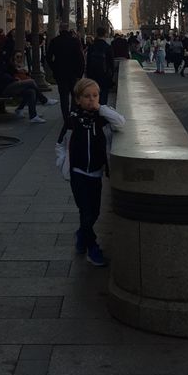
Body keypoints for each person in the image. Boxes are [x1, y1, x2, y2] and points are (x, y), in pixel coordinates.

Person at [56, 78, 125, 266]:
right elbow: (60, 143)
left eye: (95, 96)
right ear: (77, 99)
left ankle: (82, 234)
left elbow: (120, 122)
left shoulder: (101, 118)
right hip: (78, 173)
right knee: (85, 211)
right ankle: (92, 247)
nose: (91, 100)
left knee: (93, 212)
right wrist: (62, 162)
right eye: (86, 96)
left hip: (96, 173)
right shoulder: (72, 120)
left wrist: (101, 108)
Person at [0, 45, 44, 123]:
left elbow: (8, 71)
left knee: (31, 91)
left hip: (10, 85)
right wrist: (14, 79)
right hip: (3, 89)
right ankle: (44, 100)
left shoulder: (0, 62)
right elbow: (1, 77)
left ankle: (32, 116)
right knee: (31, 82)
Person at [46, 23, 86, 138]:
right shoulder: (75, 41)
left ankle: (66, 118)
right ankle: (73, 114)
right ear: (68, 29)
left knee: (63, 96)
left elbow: (48, 57)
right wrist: (80, 72)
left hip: (60, 73)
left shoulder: (55, 41)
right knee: (75, 95)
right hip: (73, 73)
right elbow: (80, 58)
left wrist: (54, 68)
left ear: (59, 30)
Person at [85, 27, 115, 104]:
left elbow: (88, 62)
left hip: (93, 76)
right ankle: (102, 111)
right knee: (104, 97)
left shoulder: (91, 47)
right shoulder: (108, 47)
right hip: (104, 76)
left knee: (94, 97)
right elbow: (111, 63)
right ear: (105, 34)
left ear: (96, 34)